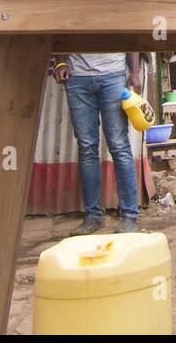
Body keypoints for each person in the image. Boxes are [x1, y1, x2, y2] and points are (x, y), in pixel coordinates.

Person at [52, 52, 142, 234]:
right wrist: (60, 63)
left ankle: (130, 216)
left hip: (113, 75)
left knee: (119, 146)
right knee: (87, 148)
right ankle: (93, 216)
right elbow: (63, 29)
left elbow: (131, 32)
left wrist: (134, 72)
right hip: (77, 77)